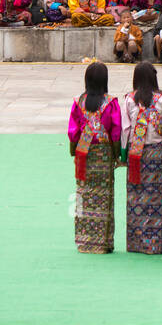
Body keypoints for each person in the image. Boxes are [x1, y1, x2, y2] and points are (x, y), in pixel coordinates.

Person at [67, 61, 121, 254]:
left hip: (84, 152)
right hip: (103, 153)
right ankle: (102, 242)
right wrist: (117, 155)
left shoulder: (78, 102)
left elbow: (73, 132)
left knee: (83, 193)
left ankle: (84, 240)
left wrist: (74, 151)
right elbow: (115, 133)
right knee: (104, 196)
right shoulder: (111, 103)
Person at [120, 61, 162, 255]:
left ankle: (136, 242)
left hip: (136, 153)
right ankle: (156, 243)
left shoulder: (129, 100)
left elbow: (125, 131)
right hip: (157, 152)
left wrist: (123, 155)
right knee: (156, 197)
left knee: (136, 197)